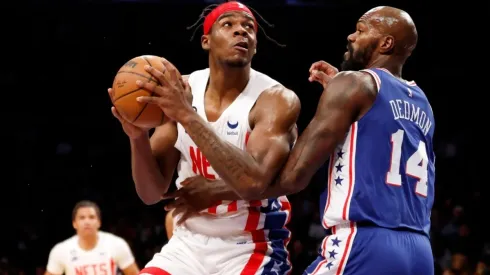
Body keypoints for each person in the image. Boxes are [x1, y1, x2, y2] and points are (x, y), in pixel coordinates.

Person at [166, 5, 435, 275]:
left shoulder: (354, 85)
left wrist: (217, 190)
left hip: (366, 243)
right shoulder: (421, 101)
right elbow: (378, 132)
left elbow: (293, 177)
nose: (352, 37)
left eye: (361, 31)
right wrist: (344, 96)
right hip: (421, 251)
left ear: (385, 43)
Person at [108, 1, 300, 274]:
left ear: (255, 46)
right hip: (188, 244)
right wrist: (137, 137)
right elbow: (151, 194)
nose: (241, 32)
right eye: (228, 24)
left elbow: (253, 183)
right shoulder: (182, 88)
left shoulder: (275, 99)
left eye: (248, 28)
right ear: (206, 41)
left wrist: (187, 115)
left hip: (250, 245)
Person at [44, 200, 139, 275]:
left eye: (91, 217)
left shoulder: (117, 244)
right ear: (74, 223)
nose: (87, 222)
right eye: (82, 218)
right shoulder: (61, 250)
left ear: (99, 222)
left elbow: (134, 273)